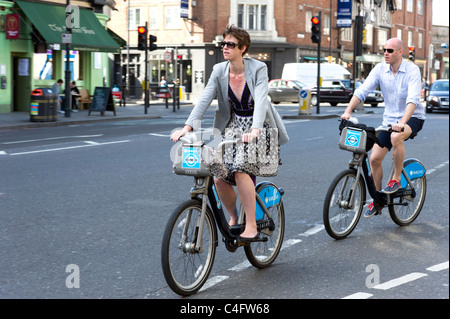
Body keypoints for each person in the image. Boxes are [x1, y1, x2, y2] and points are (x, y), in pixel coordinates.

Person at [171, 25, 289, 242]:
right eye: (223, 43)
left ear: (242, 48)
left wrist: (255, 130)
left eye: (230, 44)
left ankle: (252, 225)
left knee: (241, 170)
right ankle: (234, 217)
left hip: (258, 128)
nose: (225, 47)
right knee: (217, 173)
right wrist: (187, 127)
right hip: (233, 127)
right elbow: (205, 99)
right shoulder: (219, 70)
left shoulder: (258, 68)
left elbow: (261, 100)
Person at [341, 37, 425, 218]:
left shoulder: (412, 70)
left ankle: (395, 179)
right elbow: (363, 90)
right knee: (374, 159)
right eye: (384, 50)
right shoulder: (380, 69)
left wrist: (403, 122)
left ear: (400, 52)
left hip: (413, 117)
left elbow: (412, 100)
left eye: (390, 50)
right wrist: (347, 111)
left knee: (396, 137)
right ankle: (378, 199)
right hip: (389, 120)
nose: (385, 53)